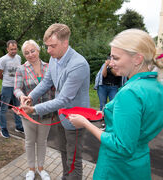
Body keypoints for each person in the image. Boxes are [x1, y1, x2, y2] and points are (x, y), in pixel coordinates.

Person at [69, 29, 163, 180]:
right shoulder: (156, 85)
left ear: (137, 58)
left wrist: (85, 123)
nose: (111, 63)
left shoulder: (130, 93)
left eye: (116, 58)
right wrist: (108, 114)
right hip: (139, 165)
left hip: (117, 169)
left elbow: (122, 146)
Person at [20, 23, 90, 180]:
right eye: (47, 46)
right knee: (64, 152)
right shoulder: (54, 59)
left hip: (75, 119)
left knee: (74, 160)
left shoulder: (78, 64)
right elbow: (46, 83)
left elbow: (64, 98)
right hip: (60, 116)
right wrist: (30, 97)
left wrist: (34, 109)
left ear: (65, 43)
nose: (48, 50)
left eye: (52, 46)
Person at [14, 40, 54, 180]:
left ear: (38, 50)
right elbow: (17, 89)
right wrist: (21, 96)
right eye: (26, 52)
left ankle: (41, 168)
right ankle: (31, 169)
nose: (30, 55)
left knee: (42, 141)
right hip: (28, 111)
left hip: (46, 110)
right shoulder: (21, 69)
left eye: (32, 51)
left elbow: (55, 88)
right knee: (30, 141)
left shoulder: (50, 67)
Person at [0, 40, 24, 138]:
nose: (13, 51)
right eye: (11, 49)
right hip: (7, 87)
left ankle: (19, 126)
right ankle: (3, 129)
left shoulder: (19, 58)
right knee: (4, 109)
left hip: (17, 87)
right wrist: (7, 80)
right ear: (7, 49)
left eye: (15, 49)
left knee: (17, 107)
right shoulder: (3, 60)